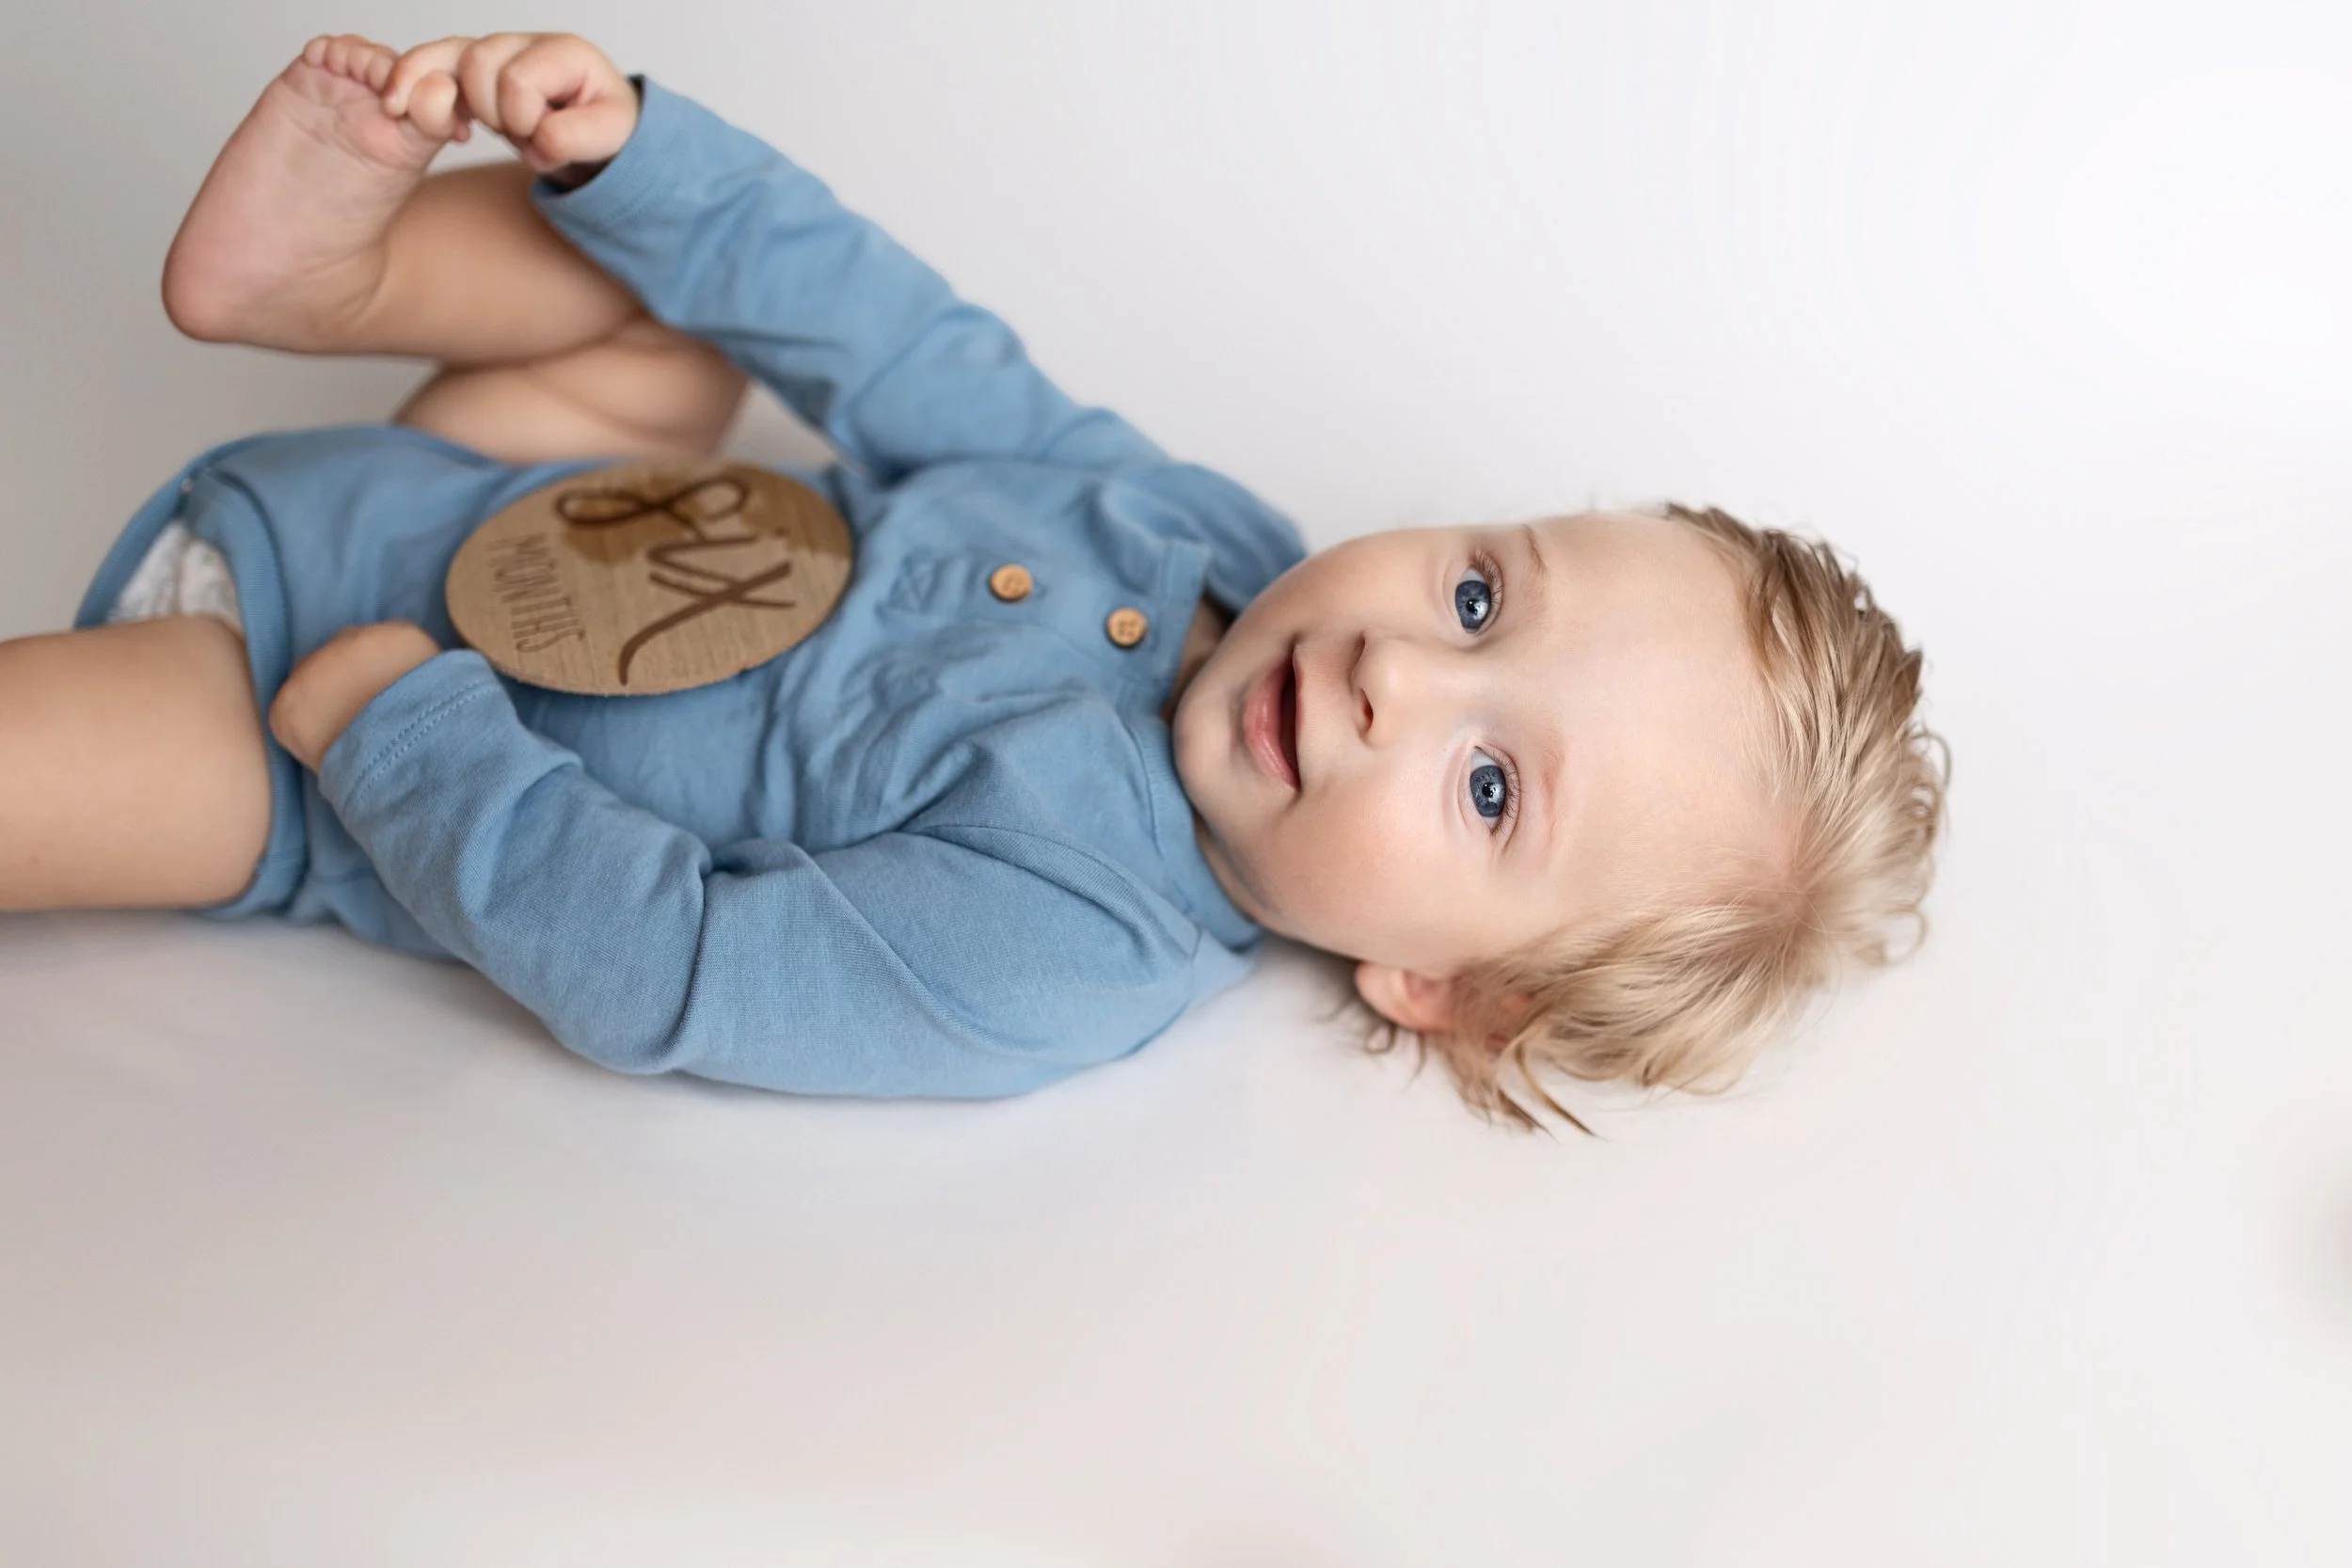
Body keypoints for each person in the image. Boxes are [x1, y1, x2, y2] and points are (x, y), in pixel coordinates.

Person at [0, 32, 1947, 1130]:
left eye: (1491, 786)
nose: (1394, 678)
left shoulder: (1068, 941)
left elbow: (679, 967)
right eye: (1478, 603)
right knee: (675, 324)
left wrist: (402, 740)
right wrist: (647, 162)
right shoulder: (1204, 534)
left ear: (1438, 984)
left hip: (297, 714)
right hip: (516, 482)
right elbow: (899, 347)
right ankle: (310, 280)